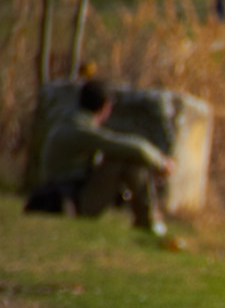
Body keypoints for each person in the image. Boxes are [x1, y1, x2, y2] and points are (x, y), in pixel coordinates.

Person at [25, 79, 174, 235]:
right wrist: (161, 161)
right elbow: (136, 148)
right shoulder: (81, 129)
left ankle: (148, 221)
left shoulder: (70, 120)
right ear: (105, 107)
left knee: (122, 156)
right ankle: (149, 222)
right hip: (69, 200)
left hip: (64, 192)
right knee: (124, 160)